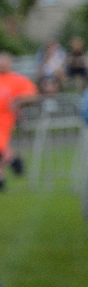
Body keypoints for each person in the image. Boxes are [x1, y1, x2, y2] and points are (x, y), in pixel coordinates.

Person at [0, 52, 37, 191]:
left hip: (4, 121)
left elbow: (32, 94)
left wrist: (18, 101)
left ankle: (13, 162)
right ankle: (12, 162)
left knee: (0, 148)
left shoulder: (16, 79)